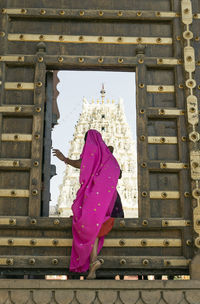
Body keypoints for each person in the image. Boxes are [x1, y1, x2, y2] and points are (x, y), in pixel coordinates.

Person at [53, 129, 121, 279]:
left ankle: (92, 262)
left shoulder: (92, 150)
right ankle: (93, 263)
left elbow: (82, 163)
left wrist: (64, 158)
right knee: (94, 229)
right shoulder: (108, 157)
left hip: (93, 198)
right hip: (107, 200)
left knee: (85, 226)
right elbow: (118, 172)